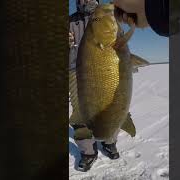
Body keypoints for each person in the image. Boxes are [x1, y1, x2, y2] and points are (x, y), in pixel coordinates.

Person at [69, 0, 120, 172]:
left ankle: (109, 142)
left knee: (111, 107)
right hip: (76, 73)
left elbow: (119, 43)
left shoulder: (107, 15)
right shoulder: (68, 22)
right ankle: (88, 152)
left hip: (105, 71)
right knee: (80, 114)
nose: (85, 1)